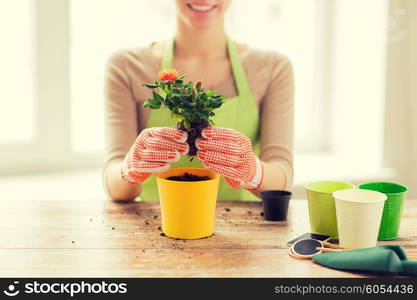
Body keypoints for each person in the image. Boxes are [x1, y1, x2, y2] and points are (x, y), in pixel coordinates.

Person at [103, 0, 294, 201]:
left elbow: (282, 176)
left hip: (246, 226)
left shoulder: (272, 67)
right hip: (157, 222)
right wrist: (129, 169)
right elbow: (115, 186)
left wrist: (254, 172)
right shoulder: (126, 66)